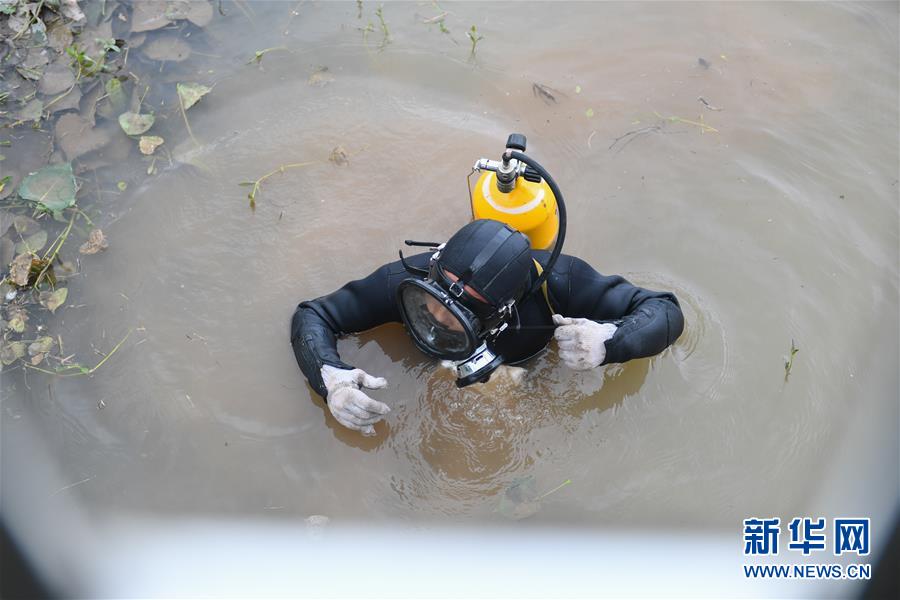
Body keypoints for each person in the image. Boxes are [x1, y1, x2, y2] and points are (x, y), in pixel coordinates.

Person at [291, 219, 684, 435]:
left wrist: (608, 342)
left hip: (527, 374)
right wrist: (331, 378)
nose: (436, 324)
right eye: (428, 306)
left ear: (504, 310)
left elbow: (665, 311)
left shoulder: (557, 281)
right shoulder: (407, 279)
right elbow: (313, 315)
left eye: (459, 319)